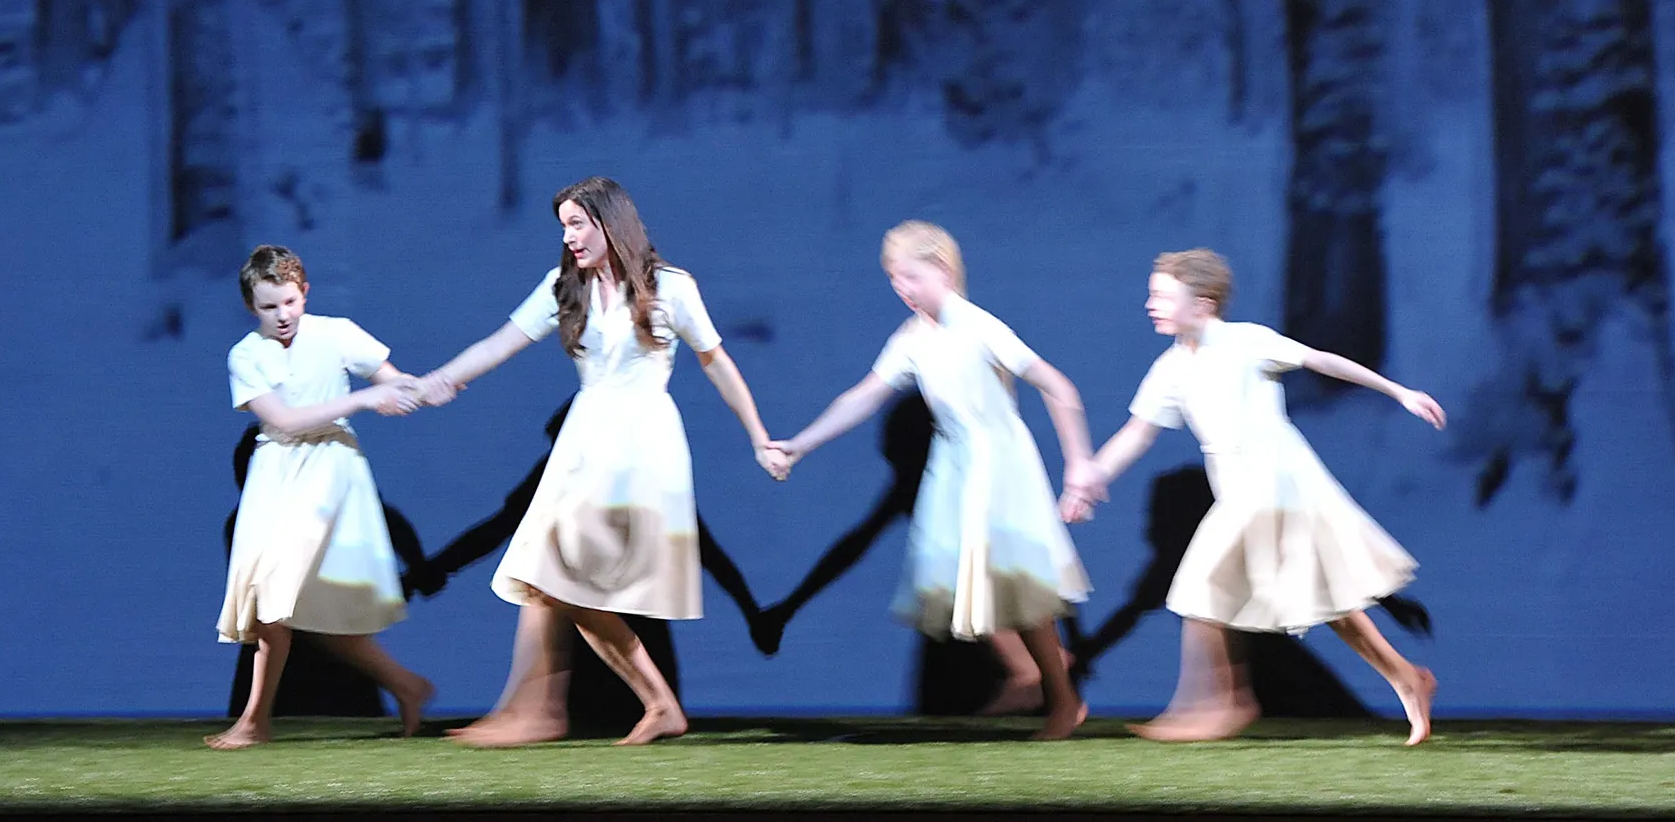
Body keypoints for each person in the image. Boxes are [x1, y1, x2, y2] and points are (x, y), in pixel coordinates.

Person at [414, 176, 784, 747]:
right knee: (544, 574)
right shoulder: (565, 287)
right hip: (585, 443)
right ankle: (561, 709)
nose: (569, 236)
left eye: (577, 223)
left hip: (641, 446)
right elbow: (500, 342)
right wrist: (445, 379)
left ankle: (548, 711)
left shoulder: (671, 288)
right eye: (563, 225)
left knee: (553, 573)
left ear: (610, 222)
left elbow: (718, 364)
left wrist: (759, 436)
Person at [1062, 248, 1444, 745]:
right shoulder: (1171, 368)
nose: (1150, 305)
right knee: (1325, 602)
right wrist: (1091, 478)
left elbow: (1320, 360)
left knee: (1200, 587)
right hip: (1243, 490)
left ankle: (1222, 704)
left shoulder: (1246, 342)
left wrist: (1398, 392)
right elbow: (1138, 433)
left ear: (1201, 304)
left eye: (1162, 296)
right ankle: (1407, 678)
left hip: (1278, 482)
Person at [770, 221, 1101, 739]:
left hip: (999, 463)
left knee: (1018, 581)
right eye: (894, 280)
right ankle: (1029, 670)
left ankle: (1062, 697)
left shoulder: (979, 326)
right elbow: (863, 396)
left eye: (911, 277)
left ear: (943, 271)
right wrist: (800, 442)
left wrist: (1080, 465)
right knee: (953, 575)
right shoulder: (912, 337)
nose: (902, 290)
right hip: (954, 465)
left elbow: (1058, 387)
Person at [208, 246, 432, 748]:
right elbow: (282, 419)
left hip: (329, 471)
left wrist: (419, 389)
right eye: (269, 307)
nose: (282, 315)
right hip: (277, 471)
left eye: (289, 302)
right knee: (293, 603)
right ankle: (407, 685)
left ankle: (254, 722)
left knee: (278, 595)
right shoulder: (246, 354)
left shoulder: (336, 333)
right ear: (252, 306)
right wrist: (363, 398)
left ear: (304, 293)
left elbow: (392, 381)